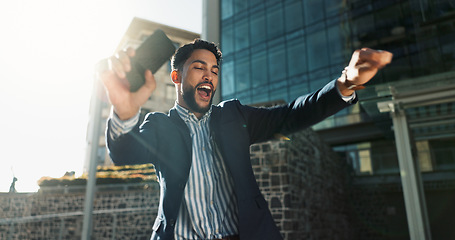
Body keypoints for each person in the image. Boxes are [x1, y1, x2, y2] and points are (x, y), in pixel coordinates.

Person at [98, 39, 392, 240]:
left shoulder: (234, 116)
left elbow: (291, 115)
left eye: (214, 70)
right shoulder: (159, 126)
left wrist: (345, 83)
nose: (209, 76)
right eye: (199, 67)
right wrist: (124, 113)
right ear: (176, 77)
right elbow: (123, 152)